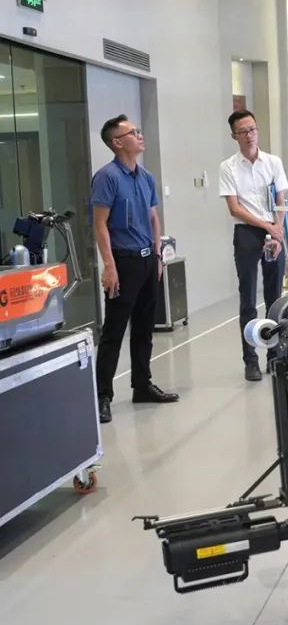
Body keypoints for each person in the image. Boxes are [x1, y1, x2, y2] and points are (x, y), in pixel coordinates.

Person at [91, 115, 180, 423]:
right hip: (123, 262)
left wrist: (158, 256)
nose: (140, 136)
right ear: (117, 142)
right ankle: (103, 395)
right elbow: (100, 224)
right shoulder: (107, 177)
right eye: (133, 132)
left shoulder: (146, 177)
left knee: (144, 327)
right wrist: (109, 266)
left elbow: (153, 218)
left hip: (147, 261)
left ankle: (142, 385)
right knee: (114, 331)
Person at [219, 109, 288, 382]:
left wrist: (277, 233)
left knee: (274, 298)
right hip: (247, 233)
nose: (249, 135)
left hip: (274, 231)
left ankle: (274, 355)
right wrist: (266, 227)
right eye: (243, 132)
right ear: (234, 136)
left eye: (252, 129)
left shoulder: (273, 162)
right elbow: (234, 208)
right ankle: (250, 360)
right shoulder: (228, 167)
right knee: (248, 298)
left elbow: (281, 201)